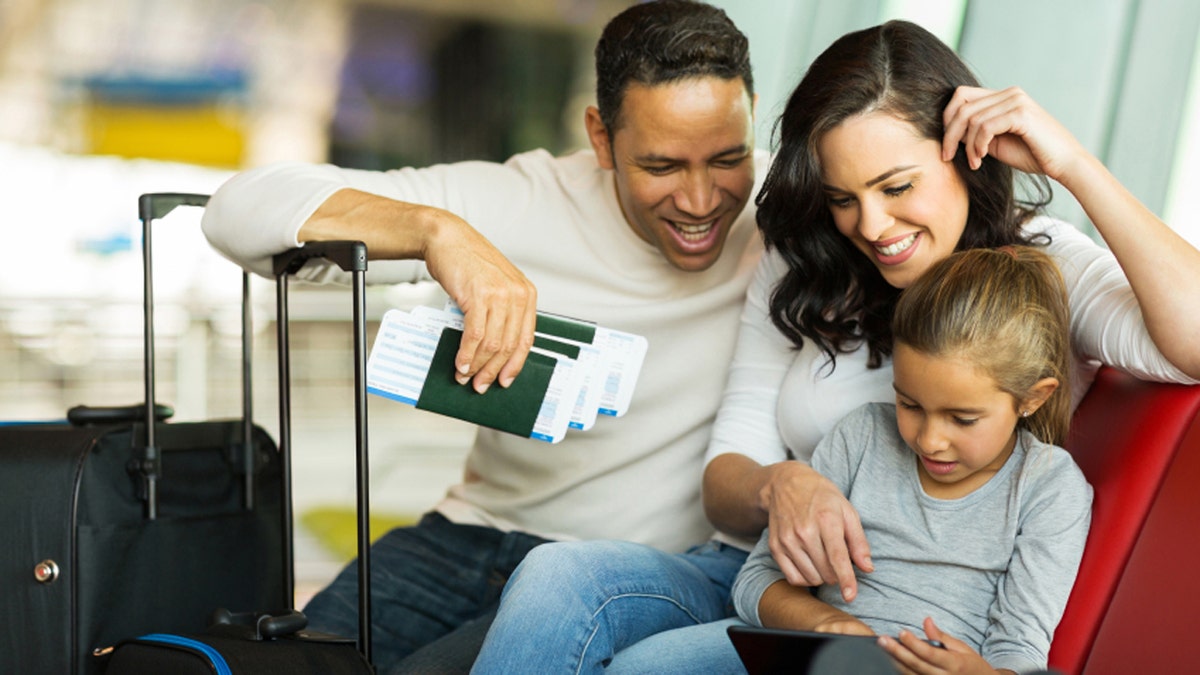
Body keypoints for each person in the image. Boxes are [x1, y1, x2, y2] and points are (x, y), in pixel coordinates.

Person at [470, 19, 1200, 674]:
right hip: (766, 575)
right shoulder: (806, 267)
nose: (872, 225)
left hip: (903, 616)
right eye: (843, 197)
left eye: (897, 185)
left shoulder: (1040, 268)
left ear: (964, 156)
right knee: (555, 578)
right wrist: (778, 484)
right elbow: (728, 476)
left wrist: (1072, 163)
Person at [200, 1, 767, 672]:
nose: (701, 200)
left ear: (753, 114)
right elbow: (235, 211)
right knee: (279, 665)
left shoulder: (787, 215)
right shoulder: (522, 200)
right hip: (465, 540)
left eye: (726, 158)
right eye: (663, 166)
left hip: (616, 573)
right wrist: (439, 233)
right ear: (601, 137)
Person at [732, 245, 1093, 674]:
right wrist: (827, 625)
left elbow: (1020, 647)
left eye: (962, 418)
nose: (929, 440)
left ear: (1033, 398)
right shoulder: (862, 435)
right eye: (909, 404)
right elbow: (756, 580)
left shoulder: (1046, 486)